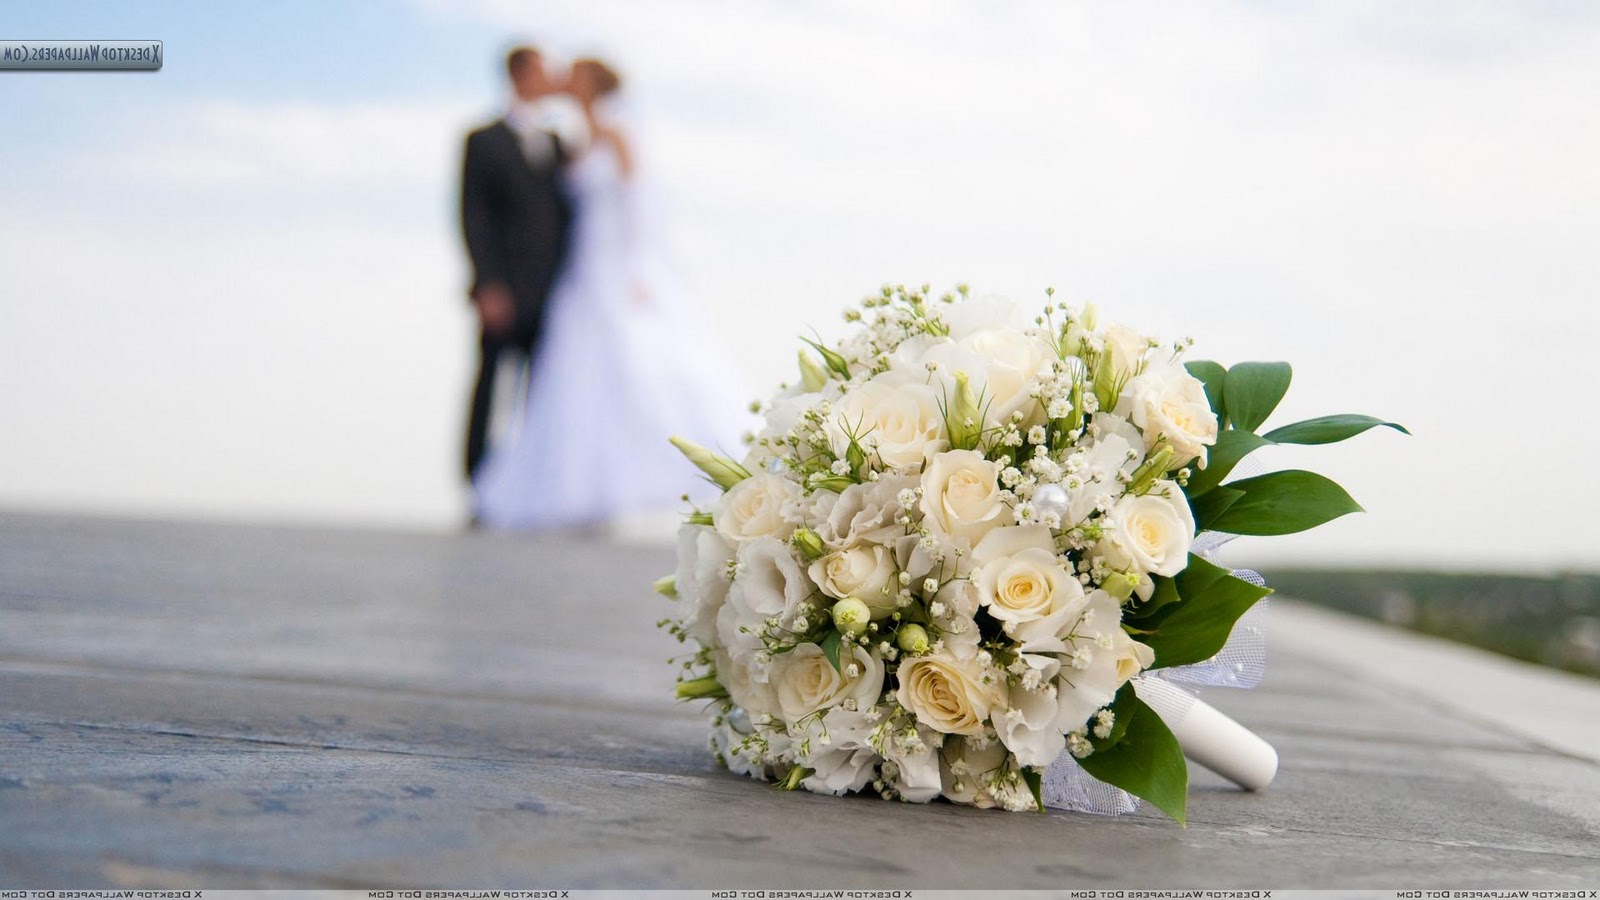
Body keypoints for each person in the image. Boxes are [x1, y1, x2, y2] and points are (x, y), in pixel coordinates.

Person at [472, 57, 750, 530]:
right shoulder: (574, 141)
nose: (563, 80)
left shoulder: (619, 133)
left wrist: (640, 268)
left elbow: (642, 203)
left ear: (595, 86)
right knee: (575, 380)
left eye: (574, 75)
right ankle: (581, 492)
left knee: (637, 368)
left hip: (616, 267)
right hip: (579, 272)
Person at [458, 46, 583, 484]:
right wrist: (487, 284)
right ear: (519, 75)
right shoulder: (482, 139)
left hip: (554, 291)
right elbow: (473, 216)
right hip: (504, 290)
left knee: (545, 394)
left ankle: (533, 487)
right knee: (491, 386)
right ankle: (477, 484)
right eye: (543, 71)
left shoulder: (558, 144)